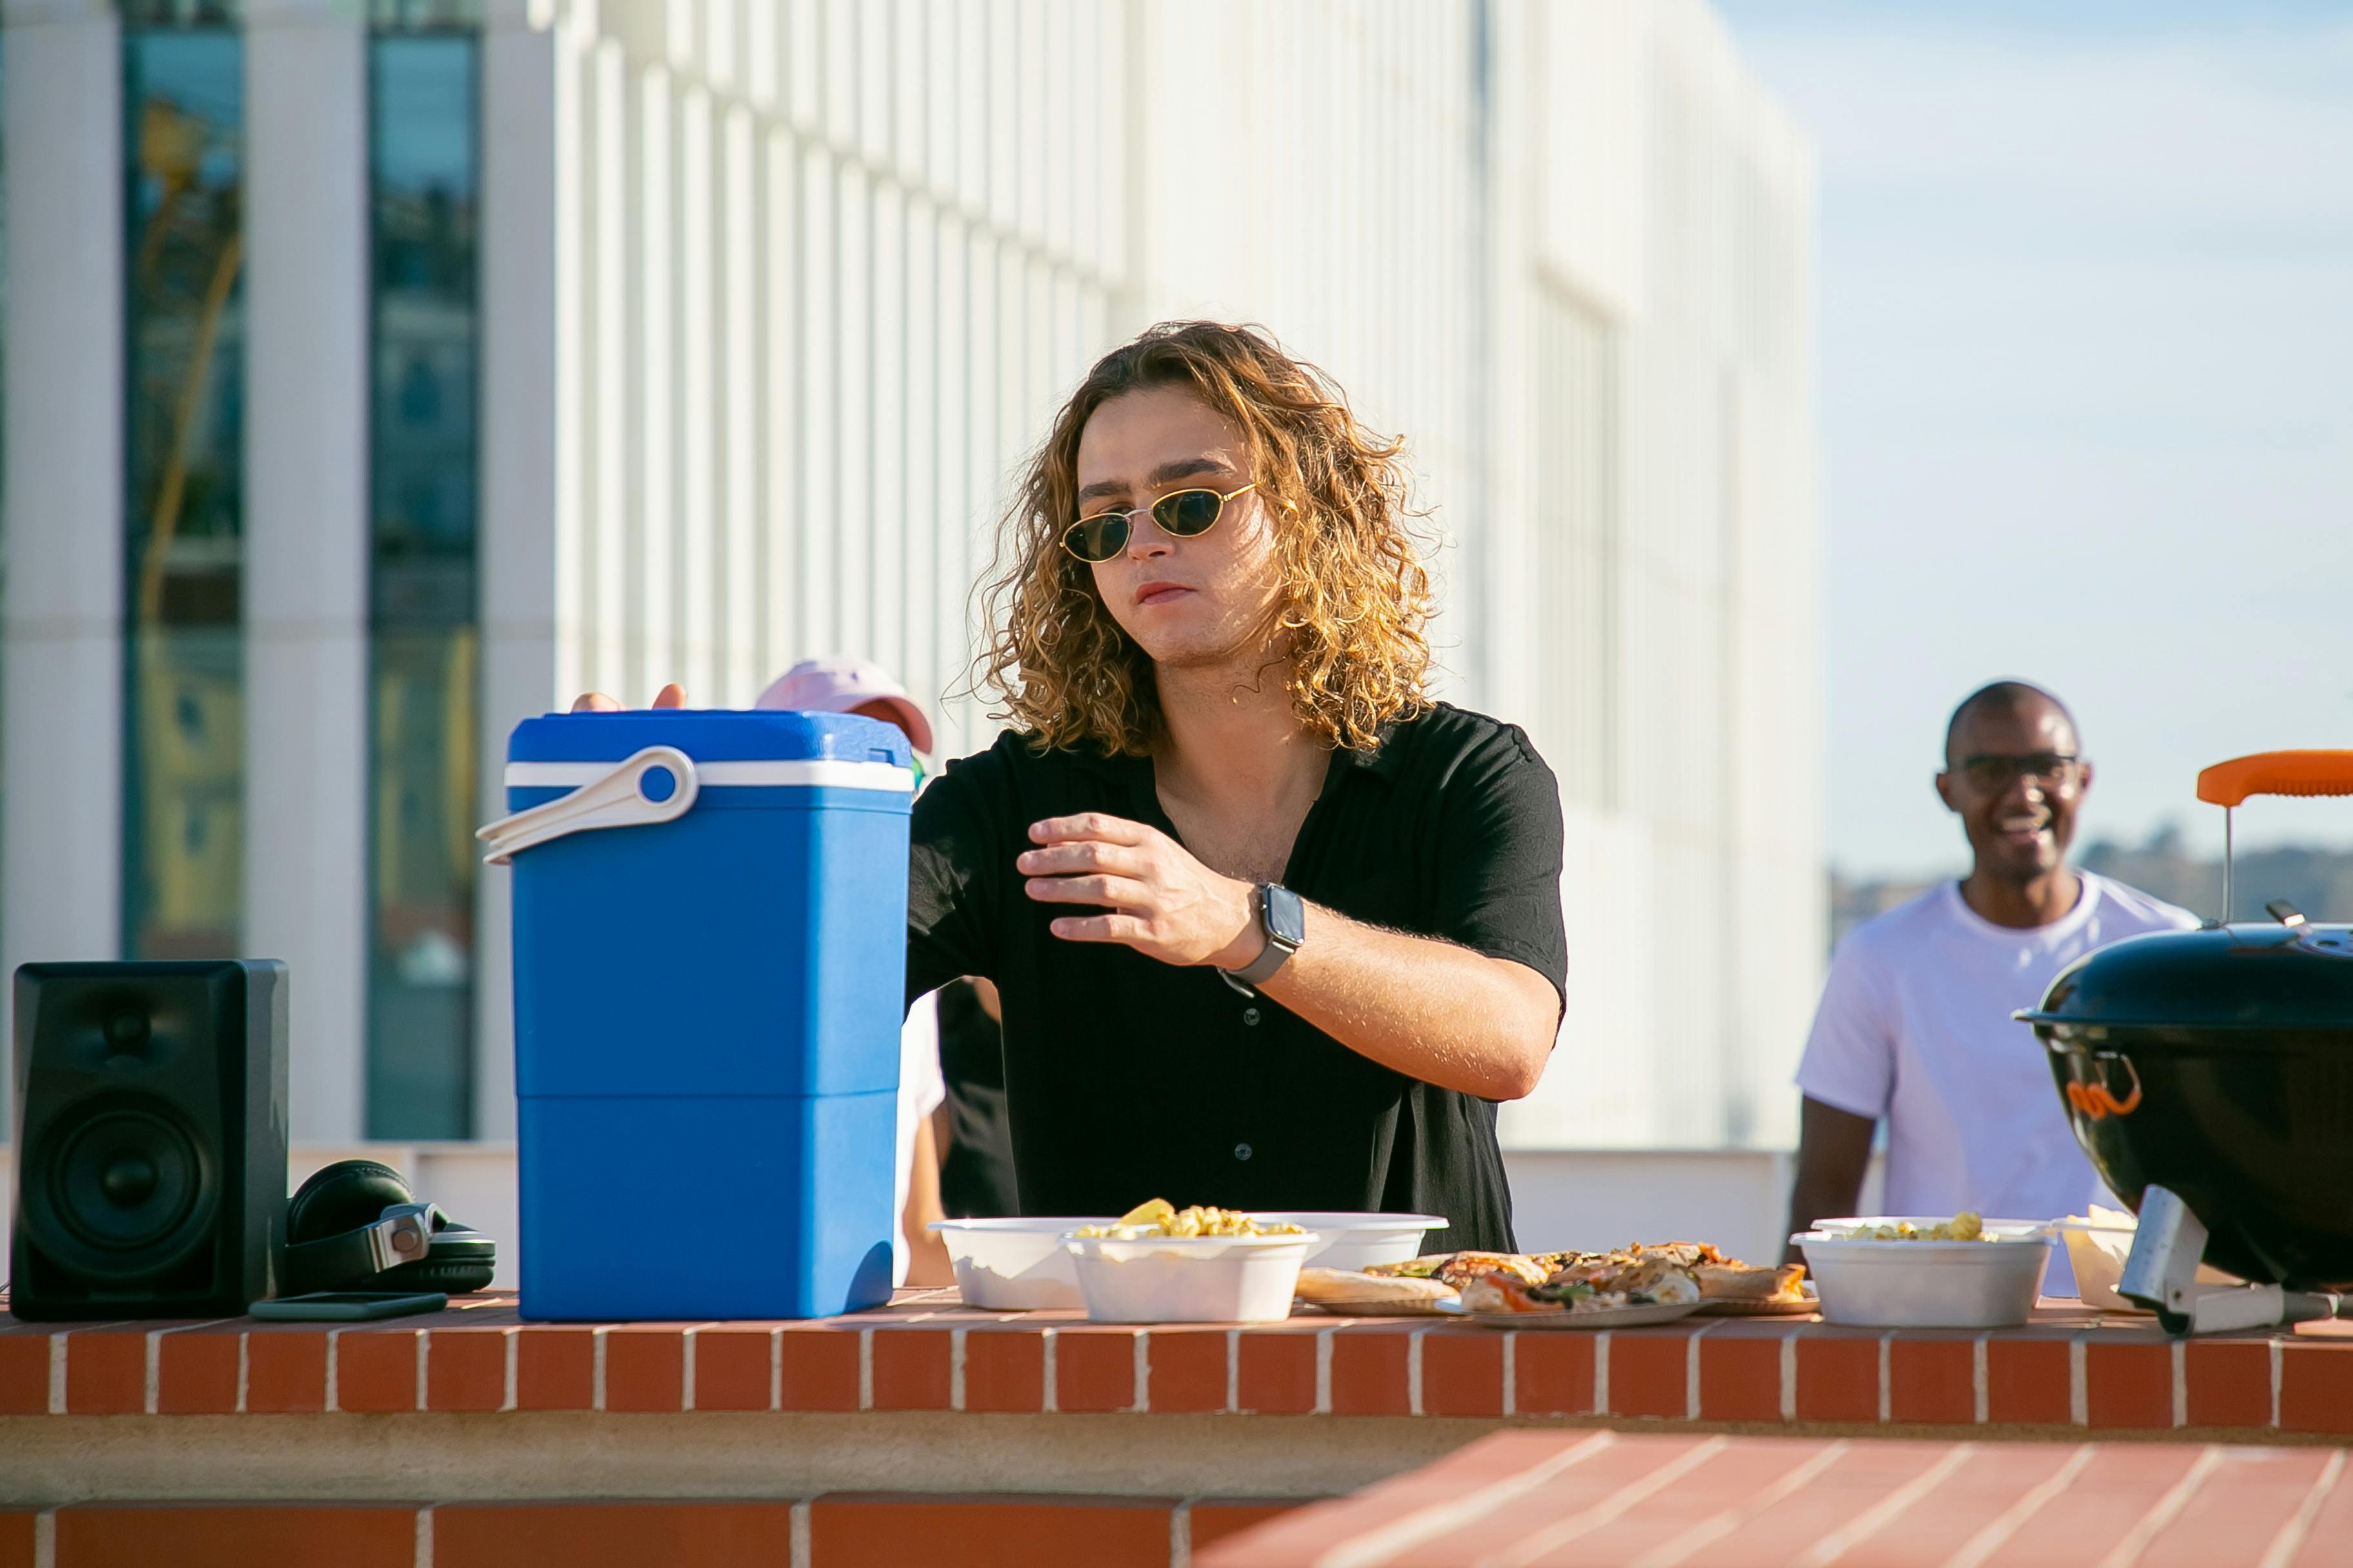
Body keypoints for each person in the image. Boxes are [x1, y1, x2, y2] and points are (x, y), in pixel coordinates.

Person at [581, 321, 1568, 1253]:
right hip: (1116, 1399)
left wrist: (1239, 921)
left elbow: (1509, 1036)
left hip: (1423, 1374)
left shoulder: (1466, 774)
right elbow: (774, 1001)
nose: (1142, 541)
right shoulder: (1014, 803)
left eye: (1190, 502)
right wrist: (658, 849)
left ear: (1312, 510)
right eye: (1103, 521)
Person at [1782, 681, 2197, 1291]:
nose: (2022, 792)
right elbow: (1824, 1183)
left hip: (2120, 1322)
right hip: (1935, 1319)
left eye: (2044, 767)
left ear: (2082, 779)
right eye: (1989, 769)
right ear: (1946, 790)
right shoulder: (1879, 957)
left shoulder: (2164, 949)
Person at [752, 657, 954, 1289]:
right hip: (745, 1318)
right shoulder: (726, 949)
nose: (882, 784)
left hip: (869, 1337)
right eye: (851, 758)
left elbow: (920, 1232)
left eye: (897, 763)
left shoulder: (906, 969)